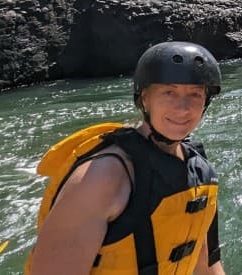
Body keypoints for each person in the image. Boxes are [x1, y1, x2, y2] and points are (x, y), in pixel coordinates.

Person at [27, 41, 226, 275]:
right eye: (169, 92)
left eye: (194, 94)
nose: (182, 108)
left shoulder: (199, 171)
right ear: (144, 99)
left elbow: (206, 265)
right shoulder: (102, 177)